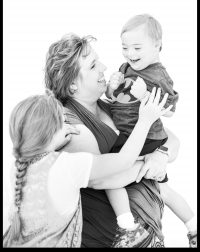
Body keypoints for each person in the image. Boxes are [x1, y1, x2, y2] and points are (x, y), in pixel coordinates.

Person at [44, 33, 180, 247]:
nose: (104, 67)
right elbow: (101, 178)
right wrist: (148, 164)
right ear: (72, 85)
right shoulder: (68, 123)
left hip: (147, 236)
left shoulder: (111, 105)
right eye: (92, 66)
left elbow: (170, 139)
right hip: (103, 239)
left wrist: (160, 156)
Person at [3, 88, 169, 247]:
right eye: (63, 120)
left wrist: (56, 138)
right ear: (52, 131)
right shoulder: (68, 166)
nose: (68, 123)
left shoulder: (17, 167)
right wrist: (145, 121)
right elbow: (123, 161)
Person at [105, 14, 197, 248]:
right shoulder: (126, 67)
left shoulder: (158, 74)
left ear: (157, 46)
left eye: (137, 47)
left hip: (143, 138)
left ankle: (127, 227)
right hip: (130, 135)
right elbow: (116, 99)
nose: (129, 53)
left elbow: (169, 110)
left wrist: (145, 95)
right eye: (125, 47)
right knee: (163, 190)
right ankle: (194, 227)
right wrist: (111, 86)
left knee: (109, 177)